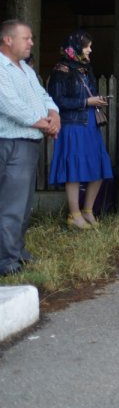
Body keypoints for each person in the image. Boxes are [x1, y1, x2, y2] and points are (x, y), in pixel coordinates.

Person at [0, 20, 61, 275]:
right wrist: (43, 123)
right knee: (11, 205)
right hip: (11, 143)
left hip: (28, 142)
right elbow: (8, 104)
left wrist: (54, 114)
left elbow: (43, 96)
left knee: (24, 204)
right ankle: (6, 262)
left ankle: (17, 251)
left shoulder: (24, 68)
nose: (31, 43)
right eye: (26, 38)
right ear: (8, 40)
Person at [46, 31, 112, 229]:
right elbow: (57, 101)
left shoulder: (85, 68)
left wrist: (96, 100)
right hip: (72, 125)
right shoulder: (61, 70)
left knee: (99, 166)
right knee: (74, 170)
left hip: (90, 123)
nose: (90, 50)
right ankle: (74, 215)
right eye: (86, 46)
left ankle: (88, 210)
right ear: (74, 47)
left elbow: (87, 95)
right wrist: (86, 102)